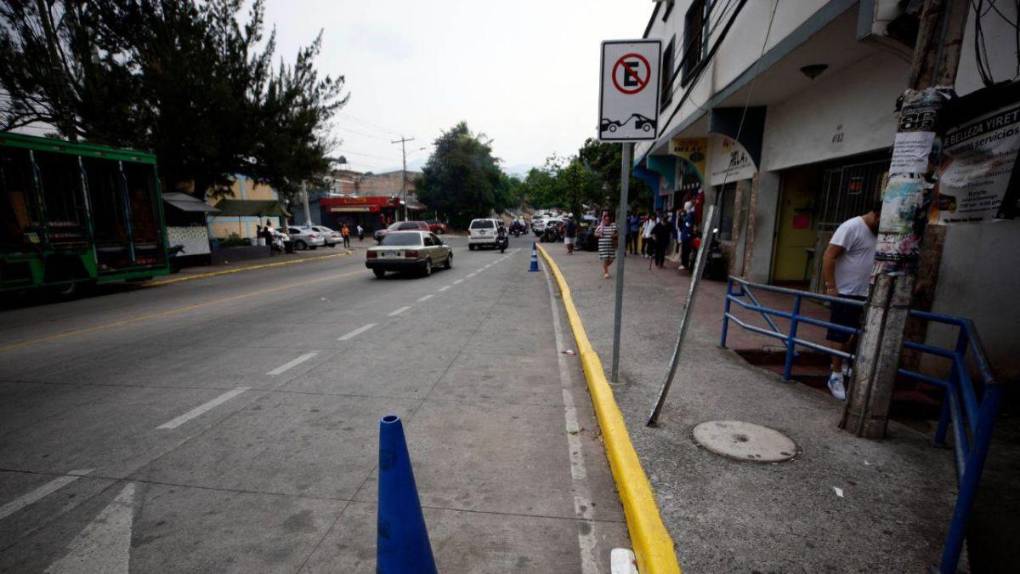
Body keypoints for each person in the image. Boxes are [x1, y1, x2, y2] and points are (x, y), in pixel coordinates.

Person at [821, 201, 881, 401]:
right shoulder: (851, 227)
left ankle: (841, 364)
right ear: (876, 214)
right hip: (845, 292)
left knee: (851, 334)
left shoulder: (880, 233)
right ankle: (835, 375)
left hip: (865, 293)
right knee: (839, 334)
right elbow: (829, 256)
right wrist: (831, 286)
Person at [595, 212, 617, 279]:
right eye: (605, 220)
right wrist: (599, 234)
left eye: (608, 220)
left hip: (611, 246)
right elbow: (595, 234)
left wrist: (614, 235)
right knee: (605, 259)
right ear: (604, 220)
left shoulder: (613, 226)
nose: (607, 221)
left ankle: (605, 267)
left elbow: (617, 234)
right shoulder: (600, 227)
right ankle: (606, 273)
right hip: (603, 246)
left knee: (611, 259)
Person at [679, 201, 695, 270]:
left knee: (686, 251)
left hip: (687, 236)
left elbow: (688, 226)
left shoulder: (689, 216)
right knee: (685, 250)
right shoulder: (687, 215)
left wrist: (688, 235)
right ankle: (684, 263)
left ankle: (684, 264)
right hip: (685, 235)